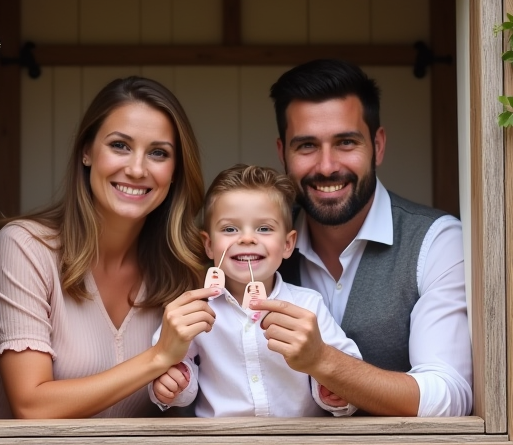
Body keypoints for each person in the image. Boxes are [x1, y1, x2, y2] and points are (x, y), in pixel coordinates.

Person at [0, 76, 219, 419]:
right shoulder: (24, 248)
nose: (137, 169)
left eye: (158, 153)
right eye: (120, 145)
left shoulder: (188, 267)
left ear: (176, 171)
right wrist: (159, 357)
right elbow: (32, 405)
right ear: (87, 151)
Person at [253, 59, 473, 417]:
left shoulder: (437, 240)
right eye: (306, 146)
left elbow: (449, 397)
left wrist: (325, 361)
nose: (326, 166)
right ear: (283, 154)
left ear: (378, 145)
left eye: (345, 142)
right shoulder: (253, 247)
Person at [148, 165, 361, 418]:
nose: (247, 239)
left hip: (300, 443)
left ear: (287, 244)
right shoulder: (194, 308)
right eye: (229, 229)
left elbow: (346, 366)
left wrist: (331, 390)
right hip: (220, 444)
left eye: (264, 229)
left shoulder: (308, 305)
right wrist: (174, 382)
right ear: (209, 245)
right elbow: (167, 362)